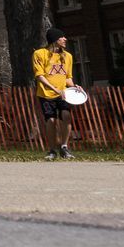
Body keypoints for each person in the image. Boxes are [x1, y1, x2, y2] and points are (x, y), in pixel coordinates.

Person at [34, 27, 75, 159]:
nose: (65, 39)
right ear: (54, 40)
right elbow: (40, 76)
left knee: (66, 116)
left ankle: (64, 147)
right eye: (62, 37)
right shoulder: (40, 54)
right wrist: (54, 88)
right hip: (46, 94)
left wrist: (75, 88)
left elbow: (68, 77)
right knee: (51, 120)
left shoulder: (67, 56)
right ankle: (52, 150)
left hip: (62, 94)